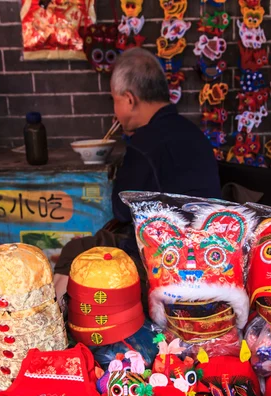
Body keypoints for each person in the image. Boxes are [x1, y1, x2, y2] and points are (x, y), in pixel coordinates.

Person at [54, 47, 222, 302]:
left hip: (161, 259)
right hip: (210, 253)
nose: (114, 109)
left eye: (114, 99)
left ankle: (64, 321)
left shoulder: (144, 144)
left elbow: (121, 212)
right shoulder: (194, 133)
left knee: (75, 250)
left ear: (130, 100)